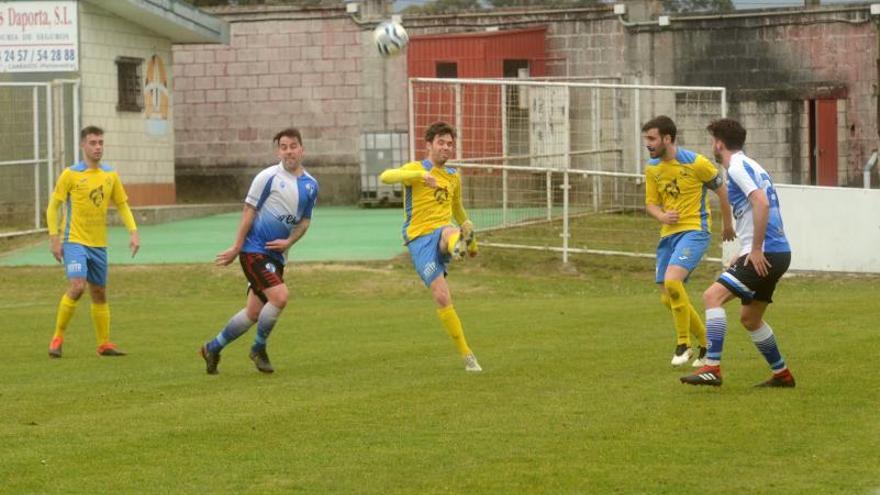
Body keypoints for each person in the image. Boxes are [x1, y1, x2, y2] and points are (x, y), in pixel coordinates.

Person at [681, 118, 794, 387]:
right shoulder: (752, 165)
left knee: (712, 297)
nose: (713, 147)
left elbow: (761, 203)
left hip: (766, 252)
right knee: (751, 319)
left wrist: (755, 249)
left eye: (712, 142)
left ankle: (712, 368)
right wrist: (746, 250)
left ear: (719, 143)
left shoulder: (736, 167)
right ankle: (782, 374)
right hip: (778, 251)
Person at [199, 128, 318, 375]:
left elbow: (304, 222)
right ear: (278, 151)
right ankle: (258, 348)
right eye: (283, 147)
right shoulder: (267, 177)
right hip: (254, 251)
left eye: (293, 146)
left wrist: (289, 242)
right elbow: (248, 212)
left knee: (253, 312)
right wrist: (236, 247)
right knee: (280, 297)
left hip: (277, 256)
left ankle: (213, 348)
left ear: (302, 149)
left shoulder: (311, 185)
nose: (289, 151)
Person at [379, 121, 482, 372]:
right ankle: (466, 353)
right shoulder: (416, 169)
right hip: (418, 240)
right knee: (441, 296)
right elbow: (385, 177)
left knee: (449, 230)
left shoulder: (453, 176)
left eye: (450, 144)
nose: (446, 148)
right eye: (441, 143)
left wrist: (471, 239)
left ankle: (457, 244)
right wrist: (418, 176)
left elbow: (457, 208)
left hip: (443, 232)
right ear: (429, 145)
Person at [642, 115, 735, 367]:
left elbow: (722, 190)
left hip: (695, 230)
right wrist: (662, 215)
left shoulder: (696, 163)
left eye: (651, 138)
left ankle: (684, 344)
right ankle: (705, 343)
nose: (647, 144)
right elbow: (650, 203)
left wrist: (727, 224)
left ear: (667, 138)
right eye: (646, 139)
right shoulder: (652, 167)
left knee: (673, 282)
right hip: (668, 235)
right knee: (666, 296)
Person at [46, 126, 140, 358]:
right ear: (83, 145)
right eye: (93, 143)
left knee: (99, 292)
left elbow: (122, 204)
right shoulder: (70, 174)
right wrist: (54, 237)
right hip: (74, 240)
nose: (97, 147)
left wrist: (133, 232)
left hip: (99, 244)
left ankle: (104, 344)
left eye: (100, 143)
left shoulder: (110, 175)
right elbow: (53, 206)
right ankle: (57, 338)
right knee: (78, 286)